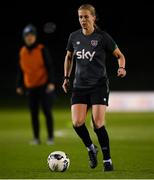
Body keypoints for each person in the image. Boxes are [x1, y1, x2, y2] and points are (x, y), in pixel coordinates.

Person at [62, 4, 126, 171]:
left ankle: (107, 160)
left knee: (98, 124)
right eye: (80, 17)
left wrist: (121, 67)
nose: (83, 20)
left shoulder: (102, 37)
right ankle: (91, 148)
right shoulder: (73, 37)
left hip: (98, 85)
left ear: (93, 18)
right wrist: (66, 78)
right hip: (79, 86)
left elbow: (120, 55)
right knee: (77, 122)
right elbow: (69, 57)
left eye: (86, 17)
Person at [16, 24, 55, 145]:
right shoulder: (22, 51)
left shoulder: (41, 49)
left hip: (43, 86)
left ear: (35, 37)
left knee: (47, 112)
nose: (29, 37)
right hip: (30, 87)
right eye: (27, 35)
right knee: (33, 114)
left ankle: (50, 137)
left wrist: (51, 82)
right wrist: (19, 85)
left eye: (31, 35)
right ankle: (36, 138)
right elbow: (21, 70)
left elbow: (49, 67)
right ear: (24, 37)